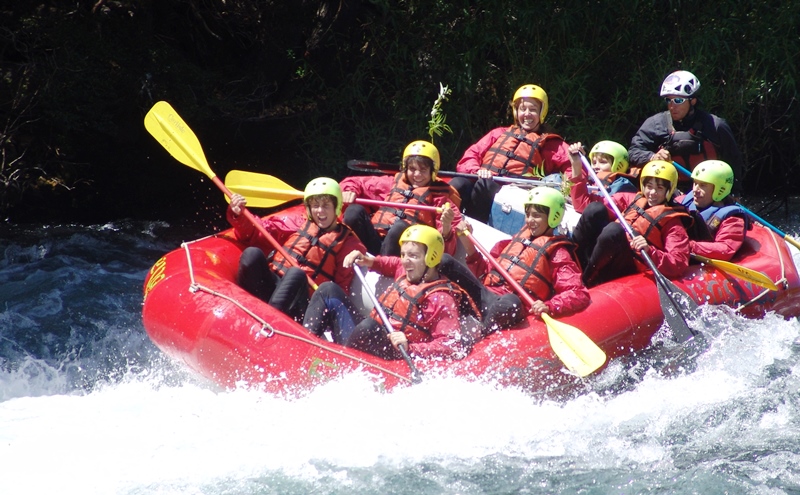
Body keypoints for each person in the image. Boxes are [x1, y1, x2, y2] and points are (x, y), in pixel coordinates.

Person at [303, 225, 482, 359]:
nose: (405, 261)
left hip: (390, 357)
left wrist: (410, 347)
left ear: (431, 257)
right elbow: (388, 263)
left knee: (369, 327)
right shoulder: (405, 270)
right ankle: (303, 349)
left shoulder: (441, 298)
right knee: (327, 290)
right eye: (404, 254)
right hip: (362, 342)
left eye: (413, 256)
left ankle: (339, 364)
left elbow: (449, 346)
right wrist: (365, 259)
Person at [439, 187, 590, 334]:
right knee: (445, 261)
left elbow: (578, 293)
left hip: (509, 307)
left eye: (536, 215)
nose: (530, 220)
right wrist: (466, 239)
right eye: (528, 214)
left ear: (553, 217)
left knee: (510, 301)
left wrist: (549, 306)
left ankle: (480, 335)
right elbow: (484, 272)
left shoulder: (558, 253)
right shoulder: (516, 241)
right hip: (485, 296)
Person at [227, 177, 366, 320]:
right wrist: (239, 215)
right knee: (252, 254)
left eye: (326, 205)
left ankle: (269, 322)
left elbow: (340, 288)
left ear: (336, 207)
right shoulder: (297, 222)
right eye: (315, 205)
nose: (320, 211)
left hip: (301, 302)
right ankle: (240, 311)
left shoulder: (348, 243)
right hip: (274, 283)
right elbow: (259, 232)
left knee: (296, 274)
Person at [448, 84, 573, 222]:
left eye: (533, 110)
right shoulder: (499, 133)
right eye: (522, 109)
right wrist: (476, 170)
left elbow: (572, 167)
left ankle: (472, 228)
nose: (527, 114)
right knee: (458, 183)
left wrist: (566, 188)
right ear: (516, 111)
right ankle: (444, 225)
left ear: (541, 113)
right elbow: (471, 155)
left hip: (512, 192)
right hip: (483, 180)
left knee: (484, 186)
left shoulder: (550, 144)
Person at [570, 160, 691, 287]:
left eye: (659, 188)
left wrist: (650, 251)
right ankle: (572, 263)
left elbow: (678, 262)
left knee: (613, 230)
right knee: (594, 209)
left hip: (628, 266)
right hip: (604, 256)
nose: (652, 193)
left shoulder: (673, 223)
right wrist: (576, 167)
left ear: (669, 190)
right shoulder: (632, 199)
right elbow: (582, 204)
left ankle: (585, 282)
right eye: (649, 186)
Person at [628, 70, 744, 195]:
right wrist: (652, 157)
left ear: (693, 101)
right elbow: (633, 152)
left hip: (708, 194)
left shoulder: (716, 126)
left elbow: (734, 161)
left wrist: (734, 193)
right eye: (668, 100)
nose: (672, 106)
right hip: (668, 193)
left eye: (678, 100)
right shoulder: (655, 123)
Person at [340, 140, 460, 257]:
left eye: (423, 170)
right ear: (405, 169)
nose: (417, 175)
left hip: (405, 253)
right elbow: (356, 182)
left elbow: (448, 250)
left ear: (432, 172)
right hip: (373, 243)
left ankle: (384, 267)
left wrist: (446, 228)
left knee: (400, 228)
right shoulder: (390, 183)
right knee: (353, 211)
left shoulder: (440, 199)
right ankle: (351, 256)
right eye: (412, 169)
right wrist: (349, 190)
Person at [675, 160, 748, 261]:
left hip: (700, 262)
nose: (695, 190)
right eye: (695, 183)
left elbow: (726, 249)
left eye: (703, 185)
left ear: (720, 189)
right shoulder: (683, 201)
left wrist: (688, 245)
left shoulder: (733, 220)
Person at [567, 140, 637, 195]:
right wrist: (576, 164)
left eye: (603, 162)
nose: (596, 167)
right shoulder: (591, 179)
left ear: (620, 165)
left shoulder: (622, 186)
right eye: (594, 162)